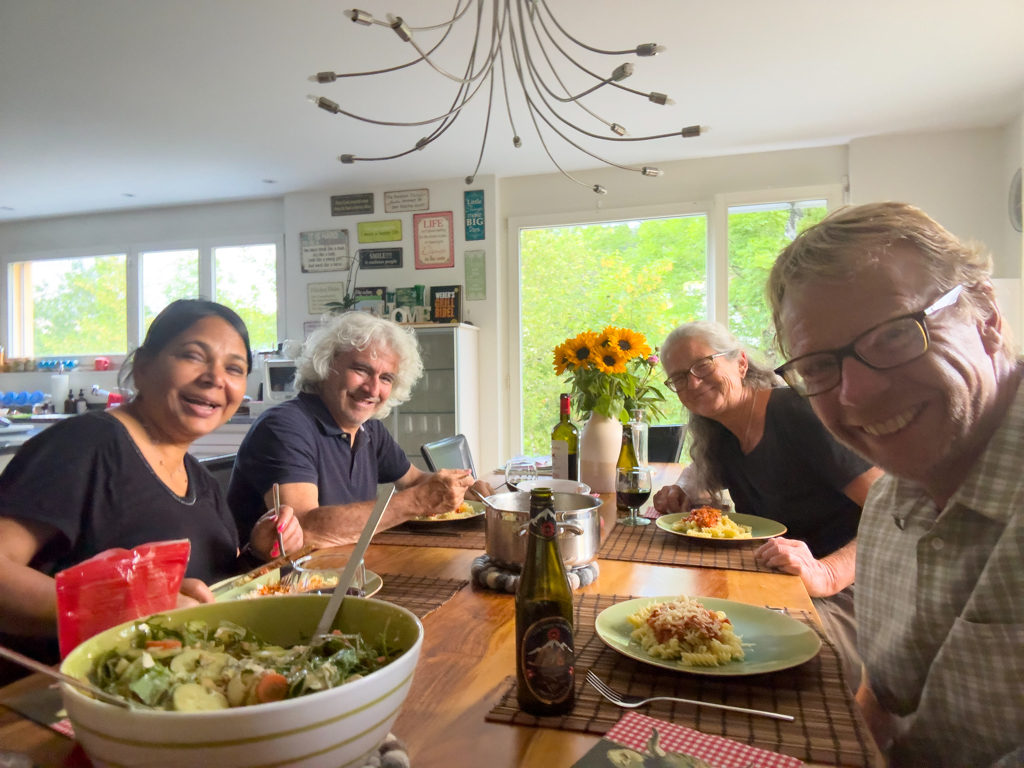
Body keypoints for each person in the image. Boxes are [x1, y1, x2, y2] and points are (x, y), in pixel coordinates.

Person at [769, 202, 1024, 767]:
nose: (856, 395)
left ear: (984, 315)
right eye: (816, 367)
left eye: (893, 337)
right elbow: (882, 701)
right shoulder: (889, 501)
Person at [0, 300, 302, 675]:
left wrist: (258, 552)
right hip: (68, 698)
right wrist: (130, 609)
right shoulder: (87, 444)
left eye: (234, 368)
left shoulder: (201, 482)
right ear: (142, 366)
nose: (215, 378)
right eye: (194, 356)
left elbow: (206, 590)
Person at [652, 321, 882, 689]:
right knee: (680, 630)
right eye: (678, 377)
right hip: (781, 579)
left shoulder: (798, 414)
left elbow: (895, 512)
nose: (693, 383)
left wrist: (829, 573)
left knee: (751, 662)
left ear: (741, 363)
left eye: (703, 366)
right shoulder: (721, 433)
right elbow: (697, 472)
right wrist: (680, 489)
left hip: (855, 589)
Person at [228, 312, 492, 548]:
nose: (373, 389)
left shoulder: (370, 430)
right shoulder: (284, 427)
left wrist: (458, 490)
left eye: (386, 378)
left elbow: (413, 481)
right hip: (281, 587)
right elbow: (305, 528)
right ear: (325, 365)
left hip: (346, 571)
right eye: (361, 370)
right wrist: (417, 501)